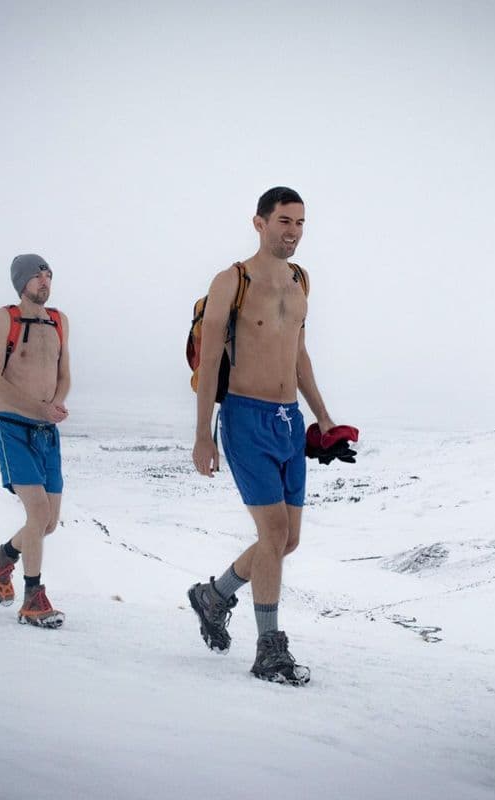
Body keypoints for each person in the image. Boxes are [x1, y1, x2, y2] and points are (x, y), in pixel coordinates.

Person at [188, 186, 357, 685]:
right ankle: (269, 649)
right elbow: (210, 361)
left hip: (288, 419)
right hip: (245, 418)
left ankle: (214, 596)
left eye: (300, 223)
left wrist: (323, 419)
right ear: (259, 223)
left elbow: (299, 355)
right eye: (284, 221)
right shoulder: (231, 281)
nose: (293, 232)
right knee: (273, 534)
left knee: (288, 539)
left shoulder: (301, 280)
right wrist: (202, 436)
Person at [0, 254, 71, 629]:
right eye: (37, 275)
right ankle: (33, 598)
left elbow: (64, 374)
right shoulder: (4, 318)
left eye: (48, 274)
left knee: (48, 523)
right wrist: (38, 407)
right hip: (13, 426)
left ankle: (1, 558)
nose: (45, 280)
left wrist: (57, 404)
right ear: (22, 282)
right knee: (37, 514)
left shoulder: (59, 321)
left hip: (47, 432)